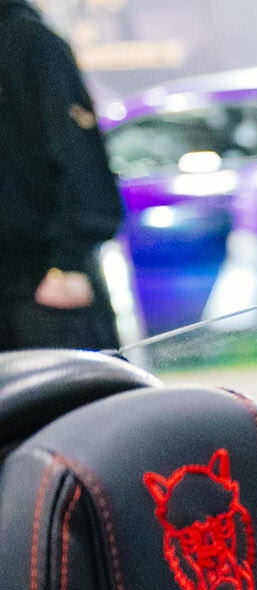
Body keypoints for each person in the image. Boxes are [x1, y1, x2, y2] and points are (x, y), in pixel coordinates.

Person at [0, 0, 124, 353]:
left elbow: (80, 158)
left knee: (77, 385)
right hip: (27, 282)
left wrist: (67, 263)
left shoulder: (27, 40)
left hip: (42, 285)